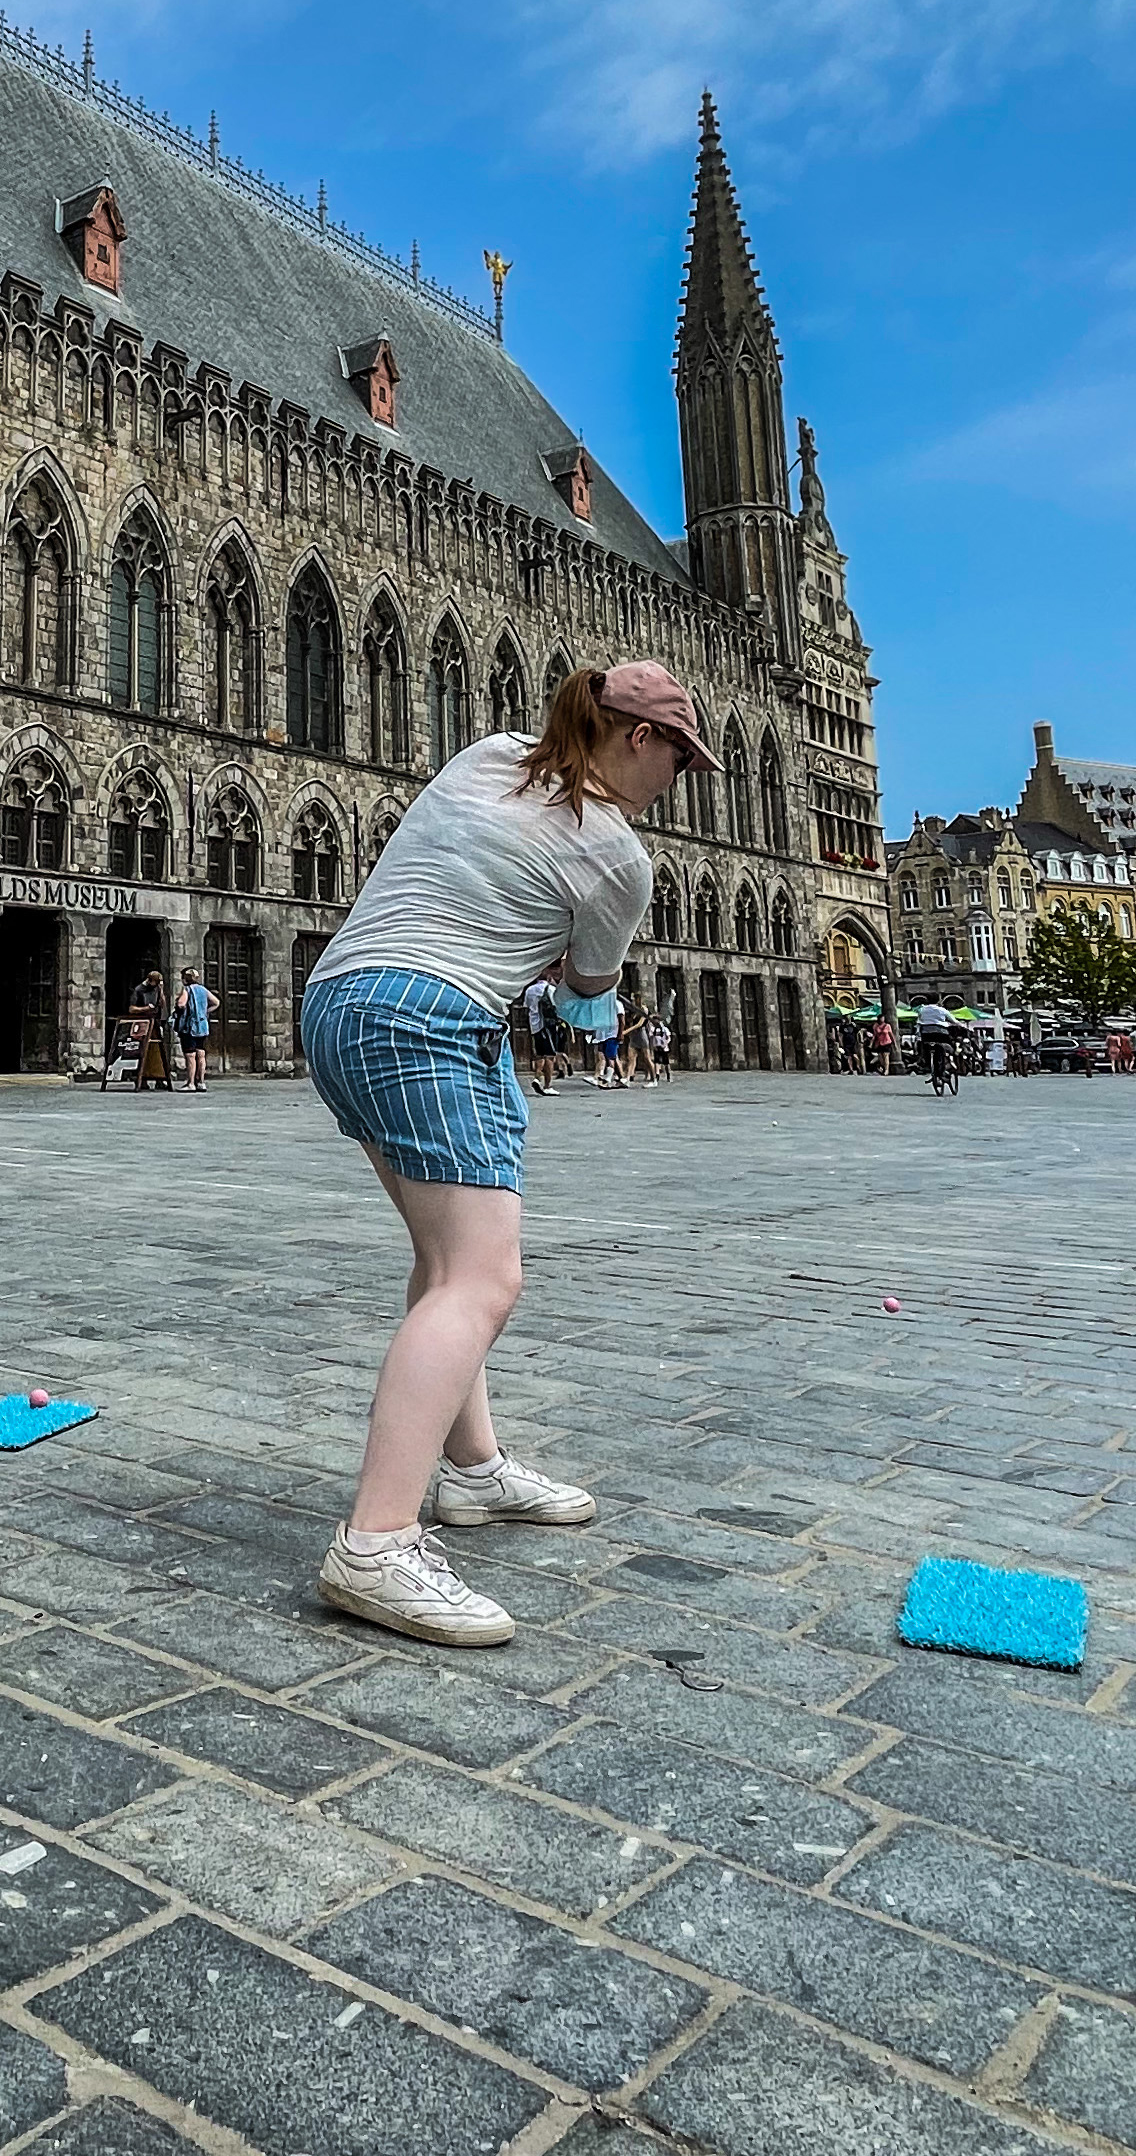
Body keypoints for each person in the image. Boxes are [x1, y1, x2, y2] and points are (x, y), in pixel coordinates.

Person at [301, 663, 714, 1647]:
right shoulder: (617, 854)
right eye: (679, 755)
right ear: (634, 738)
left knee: (443, 1261)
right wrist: (576, 967)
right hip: (428, 1017)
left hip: (337, 999)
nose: (681, 777)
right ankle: (375, 1541)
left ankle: (474, 1472)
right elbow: (581, 1003)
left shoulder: (488, 754)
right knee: (482, 1278)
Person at [174, 965, 218, 1090]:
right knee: (201, 1053)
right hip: (202, 1026)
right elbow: (216, 1002)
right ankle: (201, 1082)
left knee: (190, 1055)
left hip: (189, 1026)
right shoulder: (203, 990)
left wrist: (179, 1005)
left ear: (185, 979)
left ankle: (191, 1083)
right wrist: (205, 1012)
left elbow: (181, 1004)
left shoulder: (187, 990)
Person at [522, 975, 562, 1097]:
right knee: (550, 1056)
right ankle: (547, 1086)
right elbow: (558, 1006)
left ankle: (537, 1078)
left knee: (540, 1055)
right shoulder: (550, 989)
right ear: (549, 977)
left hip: (534, 1025)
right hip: (547, 1025)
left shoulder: (529, 990)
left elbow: (526, 1007)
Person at [915, 996, 957, 1095]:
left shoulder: (922, 1010)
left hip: (926, 1033)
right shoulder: (941, 1010)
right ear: (938, 1001)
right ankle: (945, 1062)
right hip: (940, 1032)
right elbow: (953, 1020)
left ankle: (926, 1063)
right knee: (946, 1046)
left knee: (925, 1046)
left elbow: (919, 1021)